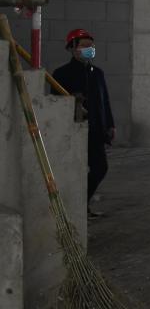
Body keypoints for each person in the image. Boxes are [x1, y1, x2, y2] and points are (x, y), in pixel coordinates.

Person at [53, 28, 115, 219]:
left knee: (100, 168)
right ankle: (76, 209)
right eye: (84, 45)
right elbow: (56, 105)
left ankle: (81, 204)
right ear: (72, 48)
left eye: (91, 45)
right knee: (75, 171)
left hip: (96, 131)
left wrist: (110, 124)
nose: (89, 49)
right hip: (73, 131)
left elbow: (105, 101)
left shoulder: (97, 73)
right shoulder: (61, 74)